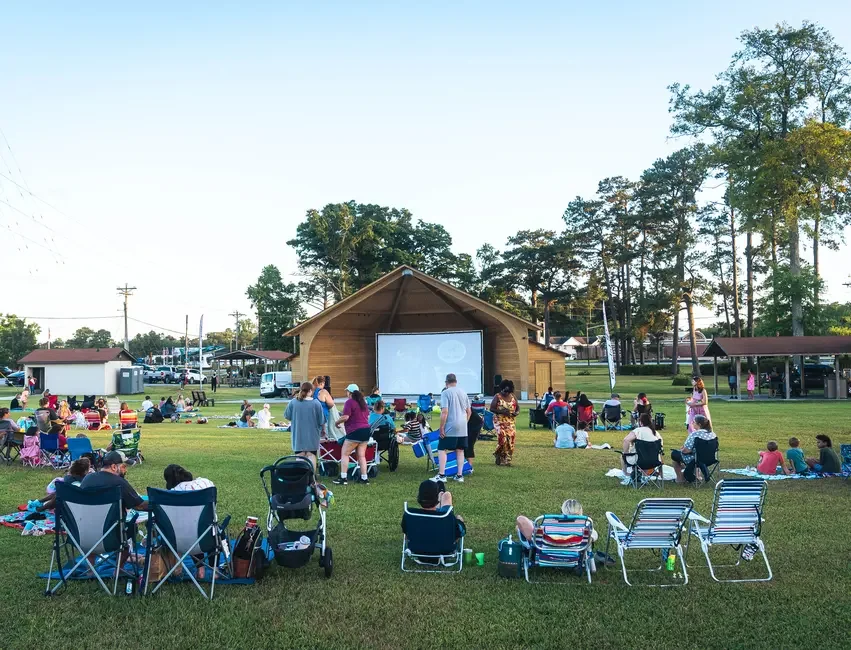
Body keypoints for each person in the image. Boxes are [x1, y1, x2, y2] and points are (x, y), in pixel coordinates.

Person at [516, 499, 597, 572]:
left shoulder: (549, 524)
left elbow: (522, 522)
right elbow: (594, 536)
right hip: (572, 558)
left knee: (521, 528)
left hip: (546, 557)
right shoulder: (585, 526)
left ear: (562, 511)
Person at [80, 450, 148, 513]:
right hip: (111, 524)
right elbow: (139, 506)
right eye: (123, 467)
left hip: (86, 522)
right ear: (114, 467)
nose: (125, 470)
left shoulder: (88, 478)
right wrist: (157, 503)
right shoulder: (119, 483)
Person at [433, 373, 472, 481]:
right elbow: (469, 411)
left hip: (451, 424)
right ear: (456, 381)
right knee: (460, 450)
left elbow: (444, 411)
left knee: (442, 448)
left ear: (446, 383)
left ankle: (441, 475)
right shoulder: (463, 392)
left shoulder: (445, 393)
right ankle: (459, 475)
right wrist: (465, 422)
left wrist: (441, 427)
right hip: (463, 426)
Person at [333, 384, 372, 486]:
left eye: (347, 392)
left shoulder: (349, 402)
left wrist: (337, 422)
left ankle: (343, 477)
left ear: (349, 392)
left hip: (355, 431)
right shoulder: (363, 402)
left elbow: (345, 417)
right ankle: (364, 478)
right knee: (361, 456)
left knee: (345, 453)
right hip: (366, 431)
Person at [285, 382, 325, 470]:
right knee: (311, 455)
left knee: (299, 456)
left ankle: (300, 477)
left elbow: (287, 416)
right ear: (310, 391)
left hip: (298, 434)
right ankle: (312, 478)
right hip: (313, 434)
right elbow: (321, 420)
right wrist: (323, 430)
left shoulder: (293, 402)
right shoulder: (316, 403)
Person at [28, 458, 92, 512]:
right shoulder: (84, 480)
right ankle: (40, 507)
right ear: (85, 471)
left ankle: (40, 503)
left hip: (67, 502)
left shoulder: (69, 477)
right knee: (59, 495)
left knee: (58, 494)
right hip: (73, 503)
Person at [670, 414, 717, 483]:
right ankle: (693, 475)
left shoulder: (695, 434)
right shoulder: (713, 434)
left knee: (674, 454)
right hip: (710, 459)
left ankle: (680, 479)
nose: (692, 423)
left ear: (699, 424)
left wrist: (681, 450)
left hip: (696, 460)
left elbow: (686, 450)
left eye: (694, 422)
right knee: (694, 455)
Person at [490, 379, 518, 467]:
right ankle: (500, 456)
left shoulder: (513, 396)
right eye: (505, 391)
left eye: (508, 391)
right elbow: (491, 408)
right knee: (503, 438)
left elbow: (517, 408)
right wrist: (501, 412)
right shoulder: (497, 396)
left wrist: (516, 413)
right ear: (502, 389)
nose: (506, 393)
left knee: (511, 439)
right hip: (499, 420)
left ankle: (505, 458)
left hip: (510, 421)